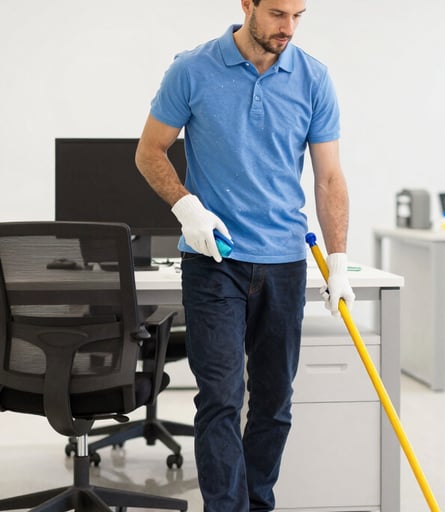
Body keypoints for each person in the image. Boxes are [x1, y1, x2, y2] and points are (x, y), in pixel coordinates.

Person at [134, 1, 355, 510]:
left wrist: (338, 261)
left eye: (299, 15)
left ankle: (257, 503)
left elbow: (329, 177)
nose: (288, 27)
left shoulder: (313, 78)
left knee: (274, 404)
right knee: (220, 400)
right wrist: (187, 207)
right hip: (215, 261)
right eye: (278, 13)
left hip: (285, 262)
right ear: (247, 5)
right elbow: (149, 151)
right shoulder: (192, 69)